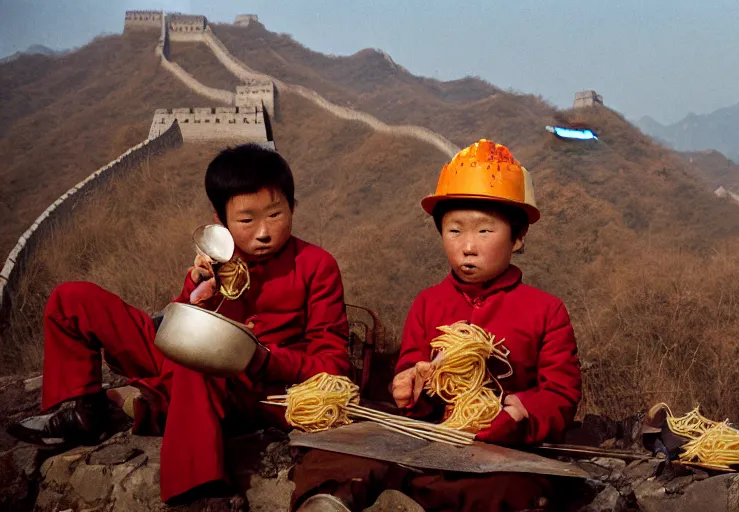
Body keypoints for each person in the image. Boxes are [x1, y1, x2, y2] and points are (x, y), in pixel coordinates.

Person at [7, 144, 351, 504]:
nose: (263, 232)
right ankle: (85, 411)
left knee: (197, 362)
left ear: (293, 208)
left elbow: (334, 364)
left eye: (276, 215)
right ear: (222, 222)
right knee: (72, 299)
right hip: (187, 363)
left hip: (253, 385)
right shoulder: (218, 261)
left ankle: (198, 489)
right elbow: (178, 330)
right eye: (247, 221)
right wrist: (195, 294)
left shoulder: (316, 265)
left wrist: (262, 357)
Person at [291, 139, 582, 512]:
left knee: (505, 490)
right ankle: (332, 501)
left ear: (519, 237)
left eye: (485, 231)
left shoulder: (546, 310)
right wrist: (410, 386)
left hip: (503, 450)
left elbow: (561, 395)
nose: (468, 246)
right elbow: (412, 372)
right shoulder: (428, 302)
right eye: (455, 230)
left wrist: (518, 412)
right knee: (335, 456)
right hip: (431, 438)